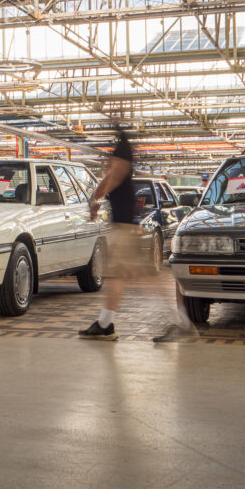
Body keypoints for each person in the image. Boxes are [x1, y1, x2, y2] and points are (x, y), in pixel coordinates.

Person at [79, 129, 164, 340]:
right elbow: (106, 182)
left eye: (111, 159)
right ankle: (105, 324)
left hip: (124, 233)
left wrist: (94, 202)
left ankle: (180, 322)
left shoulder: (120, 168)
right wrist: (95, 200)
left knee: (136, 279)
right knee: (124, 278)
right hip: (124, 230)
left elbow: (108, 179)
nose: (108, 164)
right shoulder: (123, 168)